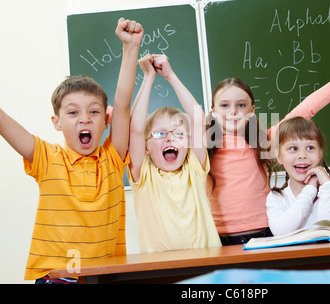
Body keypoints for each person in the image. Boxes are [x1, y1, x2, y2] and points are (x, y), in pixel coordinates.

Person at [0, 18, 142, 283]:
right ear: (57, 122)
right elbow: (6, 127)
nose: (85, 119)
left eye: (94, 112)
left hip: (106, 276)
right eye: (73, 112)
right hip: (57, 278)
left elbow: (122, 104)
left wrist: (131, 47)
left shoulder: (112, 158)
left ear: (106, 121)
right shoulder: (47, 158)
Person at [205, 54, 330, 245]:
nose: (233, 111)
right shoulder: (205, 148)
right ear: (213, 110)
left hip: (265, 234)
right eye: (224, 105)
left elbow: (305, 110)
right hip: (221, 238)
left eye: (241, 105)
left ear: (252, 110)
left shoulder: (264, 142)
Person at [127, 53, 221, 252]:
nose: (170, 138)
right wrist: (148, 78)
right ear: (146, 147)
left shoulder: (194, 168)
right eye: (160, 133)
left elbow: (198, 119)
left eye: (179, 133)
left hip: (206, 265)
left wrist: (170, 75)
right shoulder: (143, 176)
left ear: (188, 142)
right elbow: (134, 129)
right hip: (159, 270)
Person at [266, 117, 330, 235]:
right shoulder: (276, 198)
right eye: (293, 148)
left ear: (320, 153)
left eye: (310, 148)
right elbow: (281, 232)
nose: (302, 155)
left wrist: (326, 184)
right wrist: (310, 189)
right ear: (279, 157)